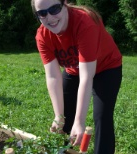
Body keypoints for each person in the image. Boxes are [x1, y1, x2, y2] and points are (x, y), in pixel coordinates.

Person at [31, 0, 122, 153]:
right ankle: (64, 149)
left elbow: (87, 76)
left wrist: (79, 121)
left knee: (102, 116)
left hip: (107, 67)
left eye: (54, 9)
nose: (50, 18)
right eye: (42, 13)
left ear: (64, 4)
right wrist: (59, 117)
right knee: (64, 117)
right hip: (74, 70)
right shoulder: (42, 36)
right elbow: (53, 76)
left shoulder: (85, 22)